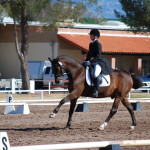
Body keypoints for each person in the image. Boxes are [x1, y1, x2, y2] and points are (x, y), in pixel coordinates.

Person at [83, 29, 113, 97]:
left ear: (95, 36)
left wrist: (90, 61)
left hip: (98, 62)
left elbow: (98, 56)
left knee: (95, 74)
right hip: (92, 61)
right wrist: (85, 61)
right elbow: (89, 54)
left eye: (91, 35)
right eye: (90, 35)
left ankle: (96, 90)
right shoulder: (91, 44)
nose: (90, 36)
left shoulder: (98, 44)